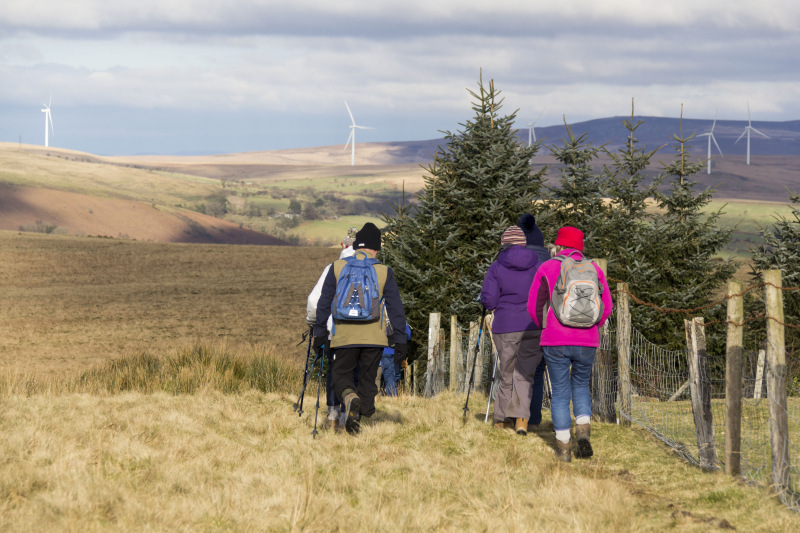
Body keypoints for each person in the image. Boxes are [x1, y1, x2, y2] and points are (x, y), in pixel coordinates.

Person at [527, 226, 613, 462]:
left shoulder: (548, 267)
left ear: (560, 245)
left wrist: (543, 326)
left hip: (555, 340)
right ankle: (583, 433)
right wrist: (594, 325)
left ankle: (564, 448)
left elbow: (533, 305)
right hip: (588, 341)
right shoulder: (594, 269)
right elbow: (607, 305)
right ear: (580, 246)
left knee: (561, 392)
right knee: (582, 386)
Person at [314, 222, 408, 434]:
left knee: (341, 377)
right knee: (367, 380)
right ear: (376, 249)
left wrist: (320, 333)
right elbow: (396, 308)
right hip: (374, 338)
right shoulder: (384, 271)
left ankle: (349, 398)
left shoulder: (337, 267)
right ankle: (358, 426)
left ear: (356, 247)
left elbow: (323, 302)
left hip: (344, 336)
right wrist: (401, 339)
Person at [481, 225, 545, 436]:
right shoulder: (537, 265)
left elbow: (489, 301)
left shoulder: (496, 266)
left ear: (504, 243)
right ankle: (521, 421)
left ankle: (500, 420)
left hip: (505, 326)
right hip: (531, 326)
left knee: (507, 372)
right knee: (525, 374)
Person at [306, 227, 358, 429]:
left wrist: (313, 324)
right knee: (355, 371)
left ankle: (333, 414)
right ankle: (350, 412)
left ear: (343, 246)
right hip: (361, 331)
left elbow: (314, 302)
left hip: (333, 331)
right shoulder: (370, 267)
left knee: (335, 371)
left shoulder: (332, 268)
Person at [518, 213, 552, 431]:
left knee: (519, 372)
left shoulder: (518, 262)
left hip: (520, 325)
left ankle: (517, 416)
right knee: (538, 373)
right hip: (545, 325)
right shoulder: (550, 264)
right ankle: (534, 418)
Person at [380, 324, 412, 396]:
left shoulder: (383, 317)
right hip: (398, 351)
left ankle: (392, 397)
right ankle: (395, 394)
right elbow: (408, 335)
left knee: (389, 375)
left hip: (385, 350)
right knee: (396, 374)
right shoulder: (400, 318)